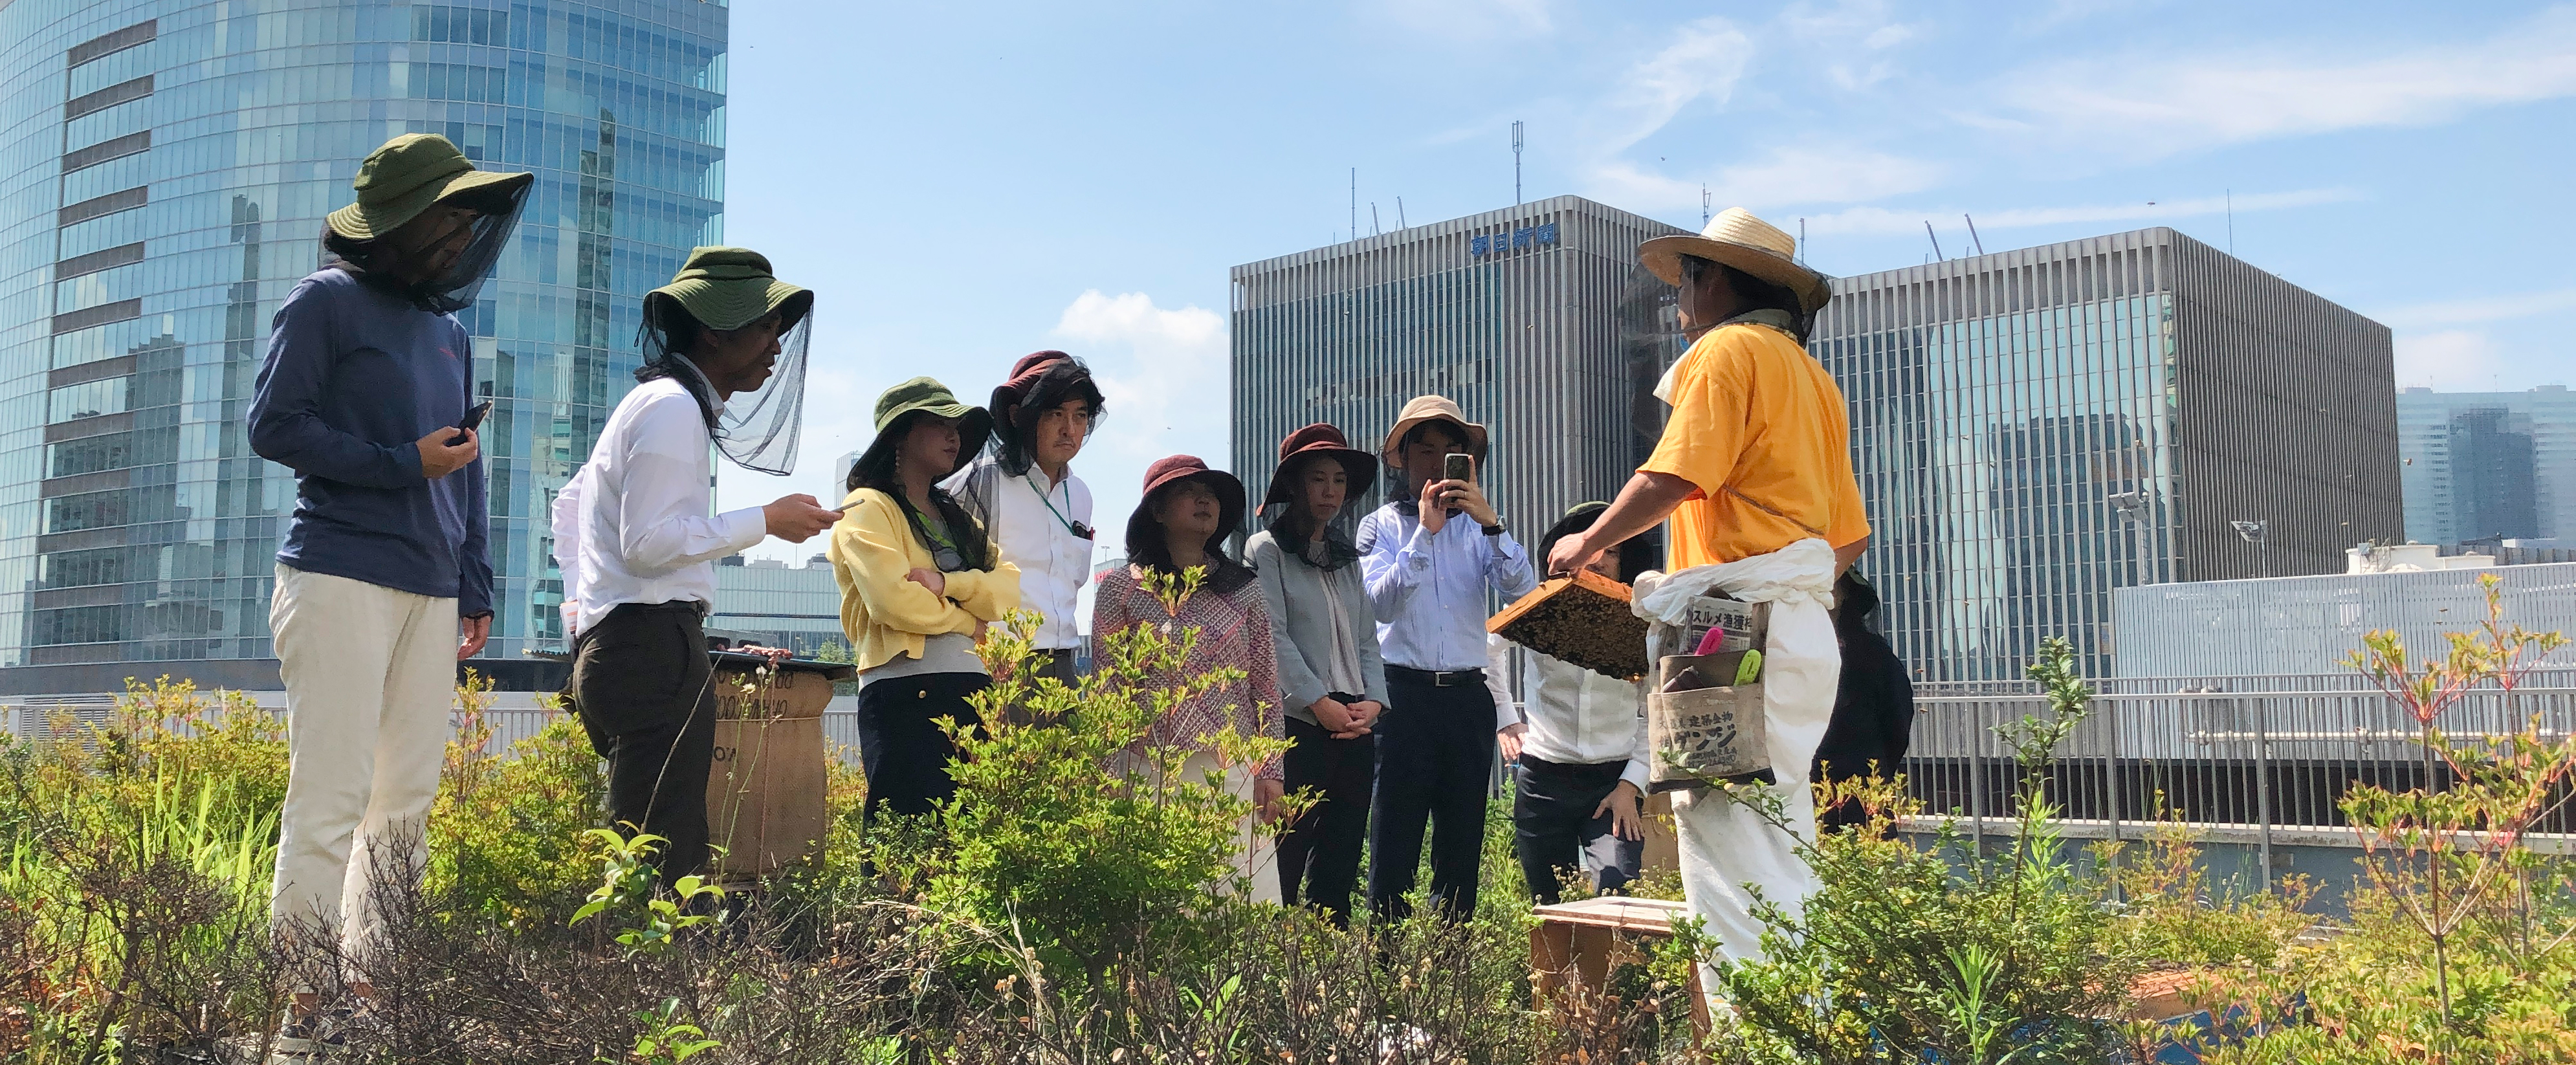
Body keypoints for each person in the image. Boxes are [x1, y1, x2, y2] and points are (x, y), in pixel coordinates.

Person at [249, 132, 528, 1048]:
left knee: (404, 803)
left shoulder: (449, 333)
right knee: (330, 796)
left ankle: (373, 994)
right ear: (400, 220)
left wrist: (474, 579)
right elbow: (275, 425)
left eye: (465, 218)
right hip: (336, 572)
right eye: (446, 214)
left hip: (430, 586)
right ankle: (297, 1003)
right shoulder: (324, 302)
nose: (458, 234)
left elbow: (468, 468)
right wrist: (398, 462)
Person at [1545, 207, 1867, 971]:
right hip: (1798, 626)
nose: (1679, 297)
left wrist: (1588, 542)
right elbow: (1849, 539)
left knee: (1726, 859)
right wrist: (1774, 576)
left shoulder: (1726, 350)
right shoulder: (1816, 382)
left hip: (1727, 630)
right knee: (1780, 847)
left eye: (1687, 276)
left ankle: (1752, 1039)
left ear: (1718, 277)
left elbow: (1678, 471)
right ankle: (1800, 1025)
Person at [553, 247, 839, 888]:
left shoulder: (651, 401)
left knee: (645, 847)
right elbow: (649, 544)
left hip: (625, 642)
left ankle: (627, 982)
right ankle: (648, 989)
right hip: (650, 644)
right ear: (715, 329)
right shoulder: (674, 406)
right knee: (664, 863)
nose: (775, 345)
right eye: (765, 327)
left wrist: (585, 612)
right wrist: (766, 518)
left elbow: (570, 507)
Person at [1358, 395, 1539, 922]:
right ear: (1403, 458)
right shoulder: (1380, 526)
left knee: (1461, 838)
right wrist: (1424, 533)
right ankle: (1385, 967)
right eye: (1426, 451)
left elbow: (1522, 595)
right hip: (1401, 694)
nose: (1437, 465)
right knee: (1394, 833)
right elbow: (1380, 604)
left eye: (1450, 453)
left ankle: (1453, 971)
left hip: (1467, 694)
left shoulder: (1479, 529)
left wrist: (1491, 523)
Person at [1090, 455, 1285, 900]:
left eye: (1211, 493)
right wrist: (1104, 779)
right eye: (1186, 491)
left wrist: (1270, 770)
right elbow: (1107, 690)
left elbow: (1266, 688)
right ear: (1156, 511)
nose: (1204, 500)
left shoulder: (1244, 588)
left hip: (1230, 774)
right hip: (1145, 774)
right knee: (1159, 913)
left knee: (1241, 907)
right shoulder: (1120, 590)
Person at [830, 377, 1022, 822]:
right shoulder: (866, 506)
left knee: (968, 842)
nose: (954, 436)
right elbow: (892, 602)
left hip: (973, 689)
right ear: (899, 434)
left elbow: (1008, 593)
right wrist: (967, 623)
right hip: (903, 689)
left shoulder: (960, 519)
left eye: (958, 426)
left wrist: (945, 584)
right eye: (939, 423)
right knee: (905, 835)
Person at [1246, 424, 1389, 927]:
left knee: (1341, 857)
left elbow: (1367, 638)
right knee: (1285, 852)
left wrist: (1373, 701)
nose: (1330, 491)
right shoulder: (1266, 550)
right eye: (1317, 479)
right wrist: (1317, 702)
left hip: (1355, 721)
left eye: (1338, 481)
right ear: (1293, 485)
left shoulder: (1346, 556)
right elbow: (1271, 637)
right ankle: (1276, 972)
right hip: (1298, 723)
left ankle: (1329, 975)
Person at [1490, 503, 1660, 905]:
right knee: (1549, 906)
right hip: (1543, 778)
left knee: (1619, 894)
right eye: (1589, 548)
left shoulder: (1643, 621)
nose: (1599, 560)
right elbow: (1483, 650)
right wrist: (1504, 718)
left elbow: (1656, 710)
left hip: (1612, 781)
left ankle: (1618, 972)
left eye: (1612, 550)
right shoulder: (1540, 606)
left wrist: (1630, 784)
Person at [944, 351, 1103, 688]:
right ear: (1020, 417)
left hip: (1066, 665)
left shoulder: (1081, 494)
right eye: (1055, 414)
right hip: (997, 665)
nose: (1069, 429)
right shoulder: (980, 481)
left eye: (1080, 415)